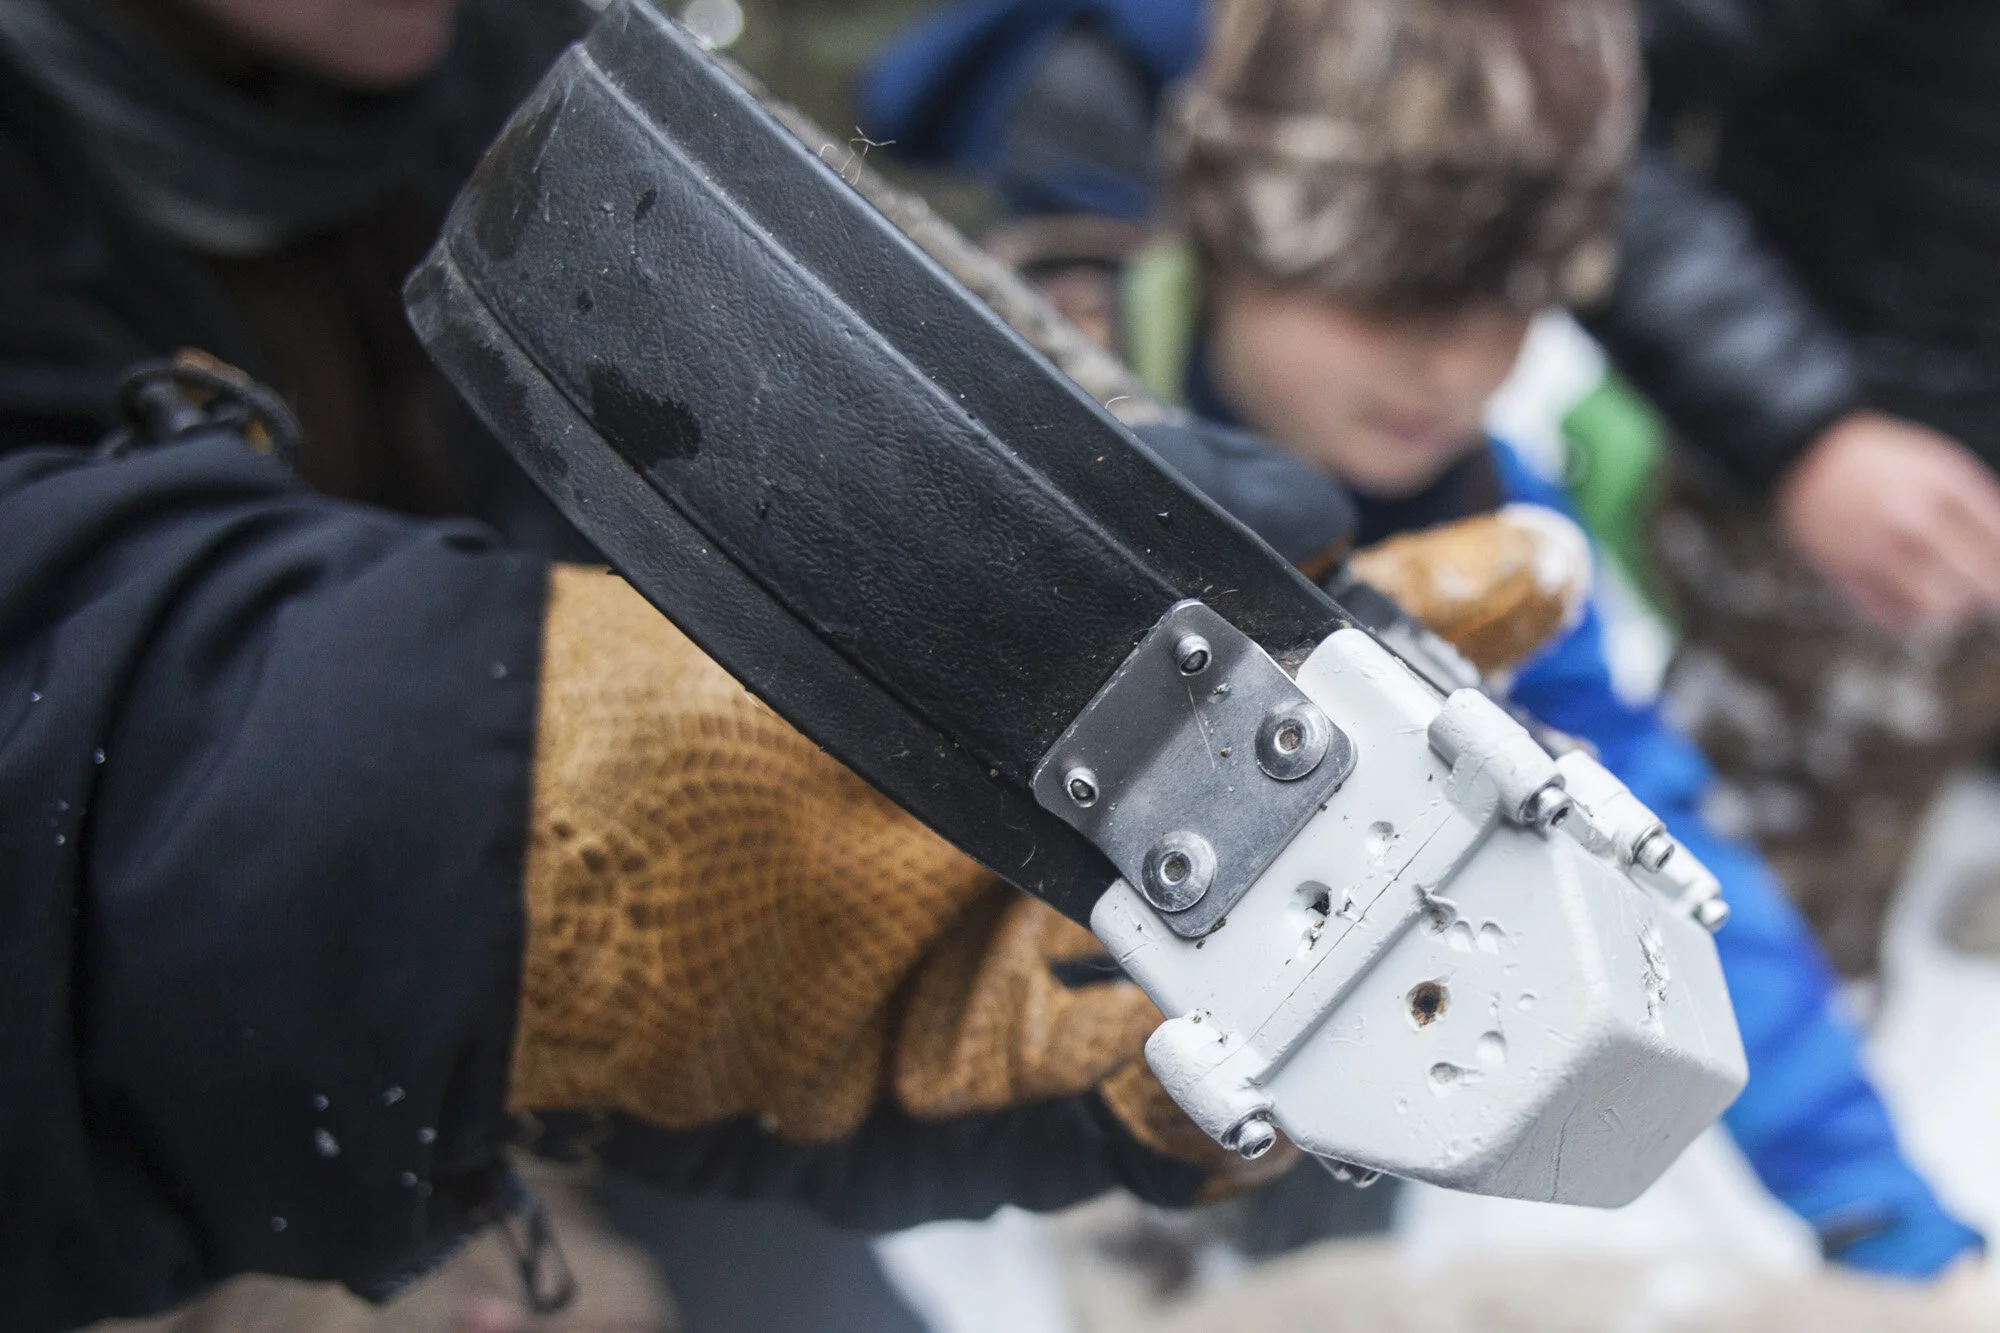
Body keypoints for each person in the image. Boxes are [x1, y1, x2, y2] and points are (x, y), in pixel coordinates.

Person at [869, 0, 1983, 1281]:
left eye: (1504, 304)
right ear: (1236, 238)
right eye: (1387, 291)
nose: (1449, 369)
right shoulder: (1033, 412)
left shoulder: (1482, 527)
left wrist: (1857, 1183)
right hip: (977, 1059)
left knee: (1354, 1155)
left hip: (1328, 1024)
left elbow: (1643, 833)